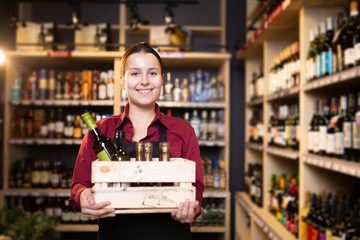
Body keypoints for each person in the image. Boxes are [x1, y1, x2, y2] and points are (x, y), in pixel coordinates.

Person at [70, 42, 204, 240]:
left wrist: (191, 208)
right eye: (135, 74)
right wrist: (82, 197)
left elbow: (197, 189)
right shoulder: (101, 130)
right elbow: (79, 184)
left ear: (162, 79)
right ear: (123, 81)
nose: (144, 81)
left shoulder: (183, 130)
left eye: (152, 73)